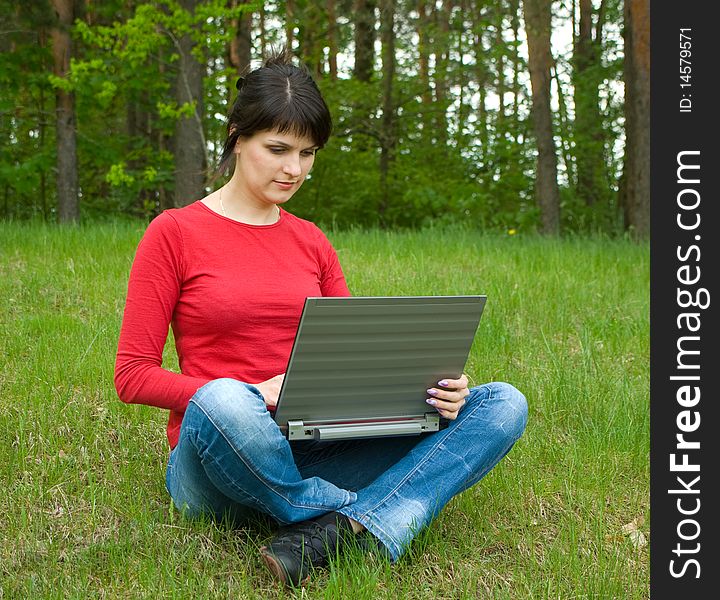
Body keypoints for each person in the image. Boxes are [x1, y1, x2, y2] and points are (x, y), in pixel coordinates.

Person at [114, 48, 528, 588]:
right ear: (238, 135)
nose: (294, 170)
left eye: (308, 154)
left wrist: (435, 391)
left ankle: (337, 527)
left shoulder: (311, 242)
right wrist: (254, 393)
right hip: (219, 458)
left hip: (316, 445)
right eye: (278, 149)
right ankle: (355, 515)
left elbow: (354, 359)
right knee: (223, 399)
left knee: (500, 404)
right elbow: (132, 376)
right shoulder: (173, 233)